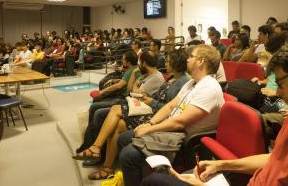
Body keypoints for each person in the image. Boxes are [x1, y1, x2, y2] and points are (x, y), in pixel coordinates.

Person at [142, 42, 288, 186]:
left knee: (157, 182)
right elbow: (276, 158)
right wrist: (222, 165)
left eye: (280, 84)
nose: (277, 92)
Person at [117, 44, 224, 186]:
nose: (187, 60)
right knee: (123, 138)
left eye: (191, 57)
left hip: (183, 140)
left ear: (201, 61)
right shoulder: (192, 83)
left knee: (128, 155)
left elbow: (180, 122)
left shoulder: (210, 87)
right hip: (172, 130)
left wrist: (148, 130)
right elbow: (170, 106)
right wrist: (150, 123)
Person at [77, 50, 189, 180]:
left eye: (168, 61)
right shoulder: (171, 77)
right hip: (150, 108)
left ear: (175, 63)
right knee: (117, 122)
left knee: (114, 110)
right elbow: (149, 94)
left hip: (157, 115)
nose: (166, 63)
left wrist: (152, 102)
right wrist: (149, 98)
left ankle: (98, 151)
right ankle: (105, 165)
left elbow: (171, 109)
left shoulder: (182, 83)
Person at [76, 51, 138, 154]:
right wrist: (115, 80)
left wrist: (102, 91)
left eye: (123, 59)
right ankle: (90, 136)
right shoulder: (134, 70)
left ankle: (90, 142)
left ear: (128, 62)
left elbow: (120, 86)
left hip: (124, 99)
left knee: (96, 108)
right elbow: (124, 81)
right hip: (125, 97)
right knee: (96, 103)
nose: (121, 61)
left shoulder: (131, 71)